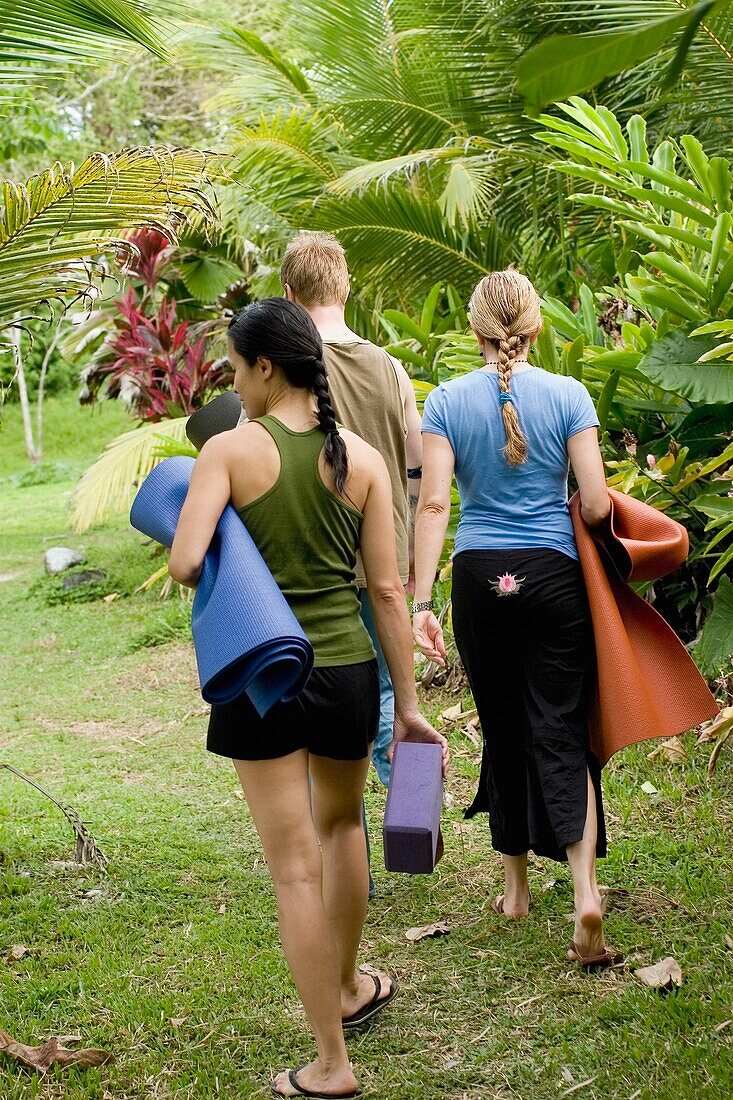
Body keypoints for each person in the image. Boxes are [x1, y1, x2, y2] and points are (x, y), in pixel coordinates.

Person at [169, 297, 448, 1099]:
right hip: (349, 673)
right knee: (341, 829)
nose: (232, 381)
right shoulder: (359, 459)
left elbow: (188, 561)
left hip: (262, 673)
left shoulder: (228, 450)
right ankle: (353, 984)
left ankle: (330, 1061)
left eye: (235, 366)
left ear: (264, 368)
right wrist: (414, 703)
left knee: (293, 869)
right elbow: (389, 594)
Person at [412, 269, 614, 968]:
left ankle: (517, 889)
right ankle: (584, 891)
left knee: (501, 725)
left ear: (475, 333)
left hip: (477, 577)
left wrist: (416, 601)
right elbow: (592, 505)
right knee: (559, 728)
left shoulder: (443, 401)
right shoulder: (567, 394)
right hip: (554, 577)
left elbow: (434, 506)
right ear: (534, 329)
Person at [279, 231, 424, 796]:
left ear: (289, 294)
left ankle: (340, 831)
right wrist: (403, 531)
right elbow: (415, 463)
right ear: (346, 287)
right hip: (384, 552)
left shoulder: (286, 369)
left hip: (316, 556)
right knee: (390, 689)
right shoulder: (390, 368)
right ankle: (413, 818)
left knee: (313, 693)